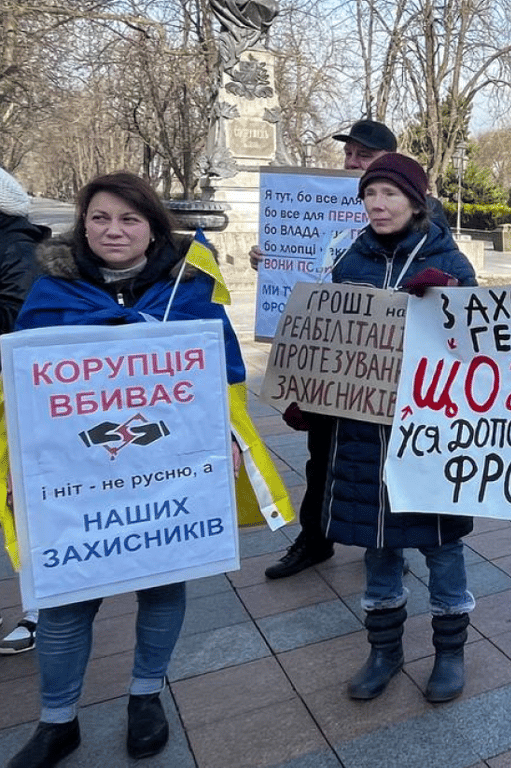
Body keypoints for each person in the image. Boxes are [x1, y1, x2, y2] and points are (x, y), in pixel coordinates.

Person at [4, 171, 291, 768]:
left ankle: (145, 696)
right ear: (82, 224)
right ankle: (58, 721)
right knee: (64, 602)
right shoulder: (50, 292)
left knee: (162, 583)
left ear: (153, 228)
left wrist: (229, 439)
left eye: (130, 219)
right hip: (75, 478)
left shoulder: (187, 289)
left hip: (167, 476)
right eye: (101, 218)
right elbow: (22, 392)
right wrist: (16, 469)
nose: (114, 230)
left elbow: (225, 378)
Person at [257, 118, 451, 581]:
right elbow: (321, 286)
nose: (351, 162)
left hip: (396, 376)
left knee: (387, 462)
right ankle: (316, 535)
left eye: (362, 155)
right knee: (322, 455)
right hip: (339, 368)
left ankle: (391, 542)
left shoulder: (429, 222)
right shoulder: (346, 233)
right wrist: (274, 264)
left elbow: (451, 300)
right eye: (349, 155)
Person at [321, 153, 478, 704]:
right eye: (370, 194)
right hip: (364, 435)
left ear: (415, 201)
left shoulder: (449, 262)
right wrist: (311, 391)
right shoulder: (348, 261)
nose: (378, 204)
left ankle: (450, 651)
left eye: (389, 193)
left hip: (429, 437)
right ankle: (384, 651)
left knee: (441, 547)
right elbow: (329, 342)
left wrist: (448, 303)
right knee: (378, 547)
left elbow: (476, 351)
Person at [0, 166, 45, 655]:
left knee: (23, 500)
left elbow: (18, 322)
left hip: (13, 398)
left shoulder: (14, 249)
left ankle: (38, 610)